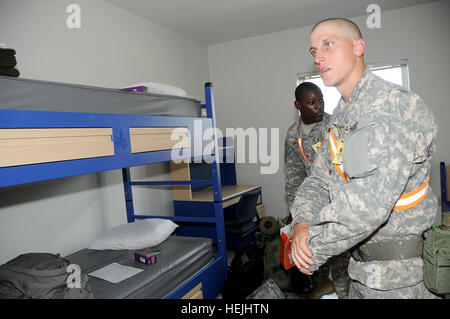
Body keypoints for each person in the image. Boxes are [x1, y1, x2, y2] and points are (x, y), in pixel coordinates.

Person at [290, 18, 440, 299]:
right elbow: (319, 181)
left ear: (359, 47)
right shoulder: (344, 115)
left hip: (400, 279)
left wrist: (310, 246)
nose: (318, 57)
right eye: (313, 51)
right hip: (359, 271)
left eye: (327, 44)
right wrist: (302, 223)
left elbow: (367, 207)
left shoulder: (392, 106)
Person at [285, 82, 351, 299]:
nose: (319, 106)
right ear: (298, 105)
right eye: (312, 102)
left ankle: (344, 292)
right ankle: (322, 288)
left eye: (320, 100)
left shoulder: (334, 124)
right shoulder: (293, 135)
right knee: (314, 257)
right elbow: (294, 177)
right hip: (312, 203)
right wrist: (297, 215)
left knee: (342, 257)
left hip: (340, 202)